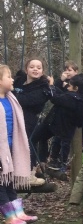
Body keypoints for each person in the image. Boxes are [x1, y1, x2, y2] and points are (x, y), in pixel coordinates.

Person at [0, 64, 38, 224]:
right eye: (8, 77)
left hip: (10, 149)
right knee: (1, 184)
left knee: (9, 182)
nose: (12, 79)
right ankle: (9, 217)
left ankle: (18, 212)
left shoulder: (11, 99)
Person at [32, 74, 83, 170]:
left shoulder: (73, 99)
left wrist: (51, 85)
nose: (68, 87)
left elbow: (55, 98)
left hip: (58, 126)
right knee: (43, 138)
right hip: (56, 125)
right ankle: (44, 162)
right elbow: (61, 94)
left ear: (76, 88)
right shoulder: (78, 98)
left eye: (70, 86)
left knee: (35, 139)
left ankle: (53, 163)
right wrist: (56, 83)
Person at [13, 57, 51, 187]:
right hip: (14, 115)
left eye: (39, 68)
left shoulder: (43, 88)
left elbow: (26, 101)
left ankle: (29, 173)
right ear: (26, 69)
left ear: (42, 71)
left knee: (27, 142)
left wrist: (12, 94)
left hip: (29, 118)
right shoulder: (19, 81)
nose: (35, 69)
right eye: (32, 67)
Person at [48, 61, 81, 172]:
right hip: (60, 116)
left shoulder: (79, 83)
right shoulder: (64, 81)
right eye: (66, 70)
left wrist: (63, 86)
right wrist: (60, 81)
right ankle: (54, 159)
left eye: (70, 70)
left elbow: (59, 96)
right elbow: (56, 93)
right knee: (57, 139)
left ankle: (62, 163)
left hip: (70, 119)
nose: (67, 72)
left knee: (65, 141)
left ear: (76, 71)